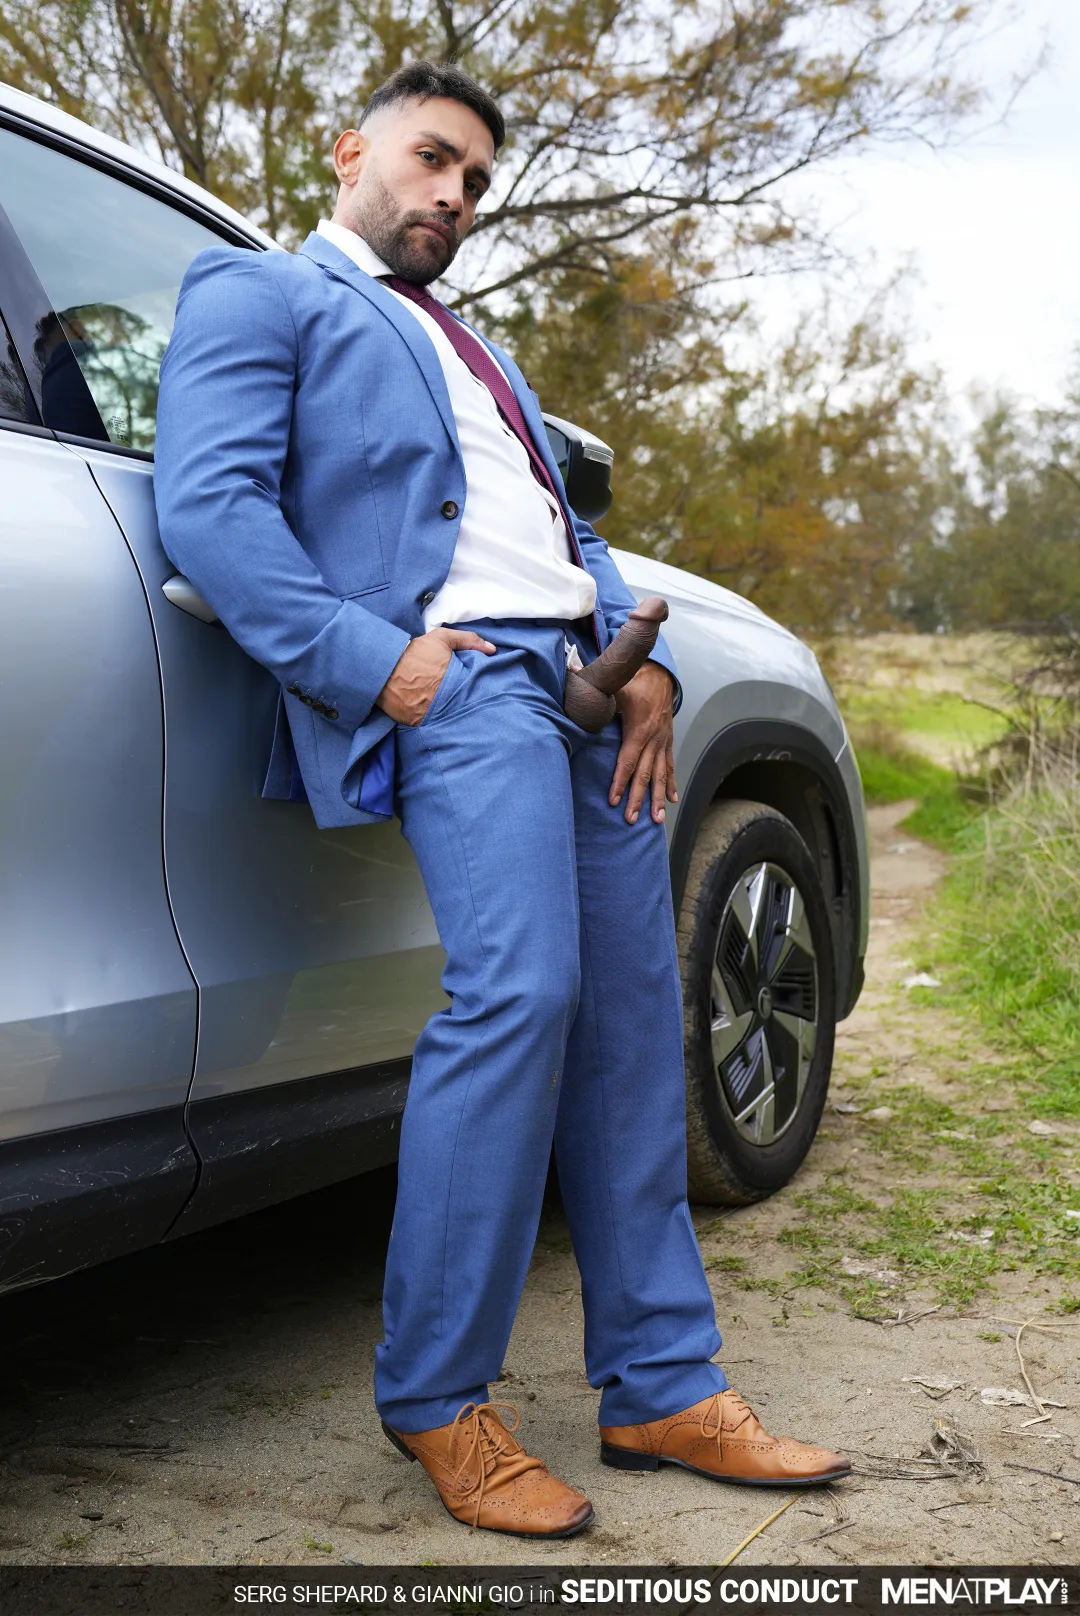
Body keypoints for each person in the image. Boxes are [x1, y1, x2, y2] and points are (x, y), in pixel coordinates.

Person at [154, 60, 850, 1540]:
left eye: (475, 181)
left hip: (588, 697)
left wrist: (641, 660)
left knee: (630, 1022)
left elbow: (558, 530)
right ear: (348, 152)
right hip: (460, 683)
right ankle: (437, 1396)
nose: (455, 195)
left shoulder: (478, 348)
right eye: (432, 159)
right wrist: (382, 664)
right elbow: (210, 508)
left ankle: (661, 1382)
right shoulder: (264, 293)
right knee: (520, 997)